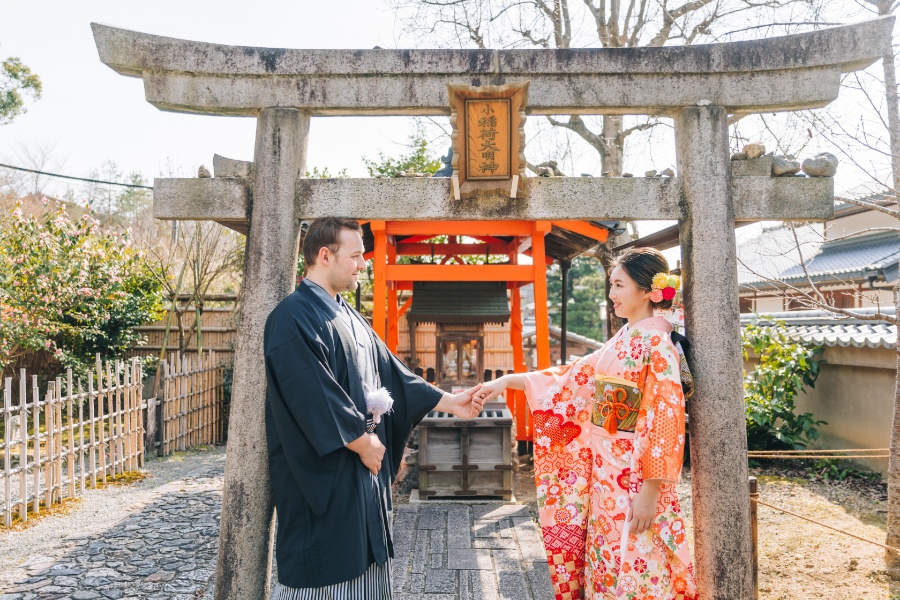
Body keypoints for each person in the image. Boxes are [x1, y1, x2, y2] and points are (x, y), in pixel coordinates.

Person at [264, 217, 484, 599]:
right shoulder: (291, 317)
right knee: (326, 569)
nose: (363, 264)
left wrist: (451, 403)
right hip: (327, 471)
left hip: (364, 473)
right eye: (356, 255)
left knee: (366, 567)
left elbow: (393, 375)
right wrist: (362, 441)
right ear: (325, 255)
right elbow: (312, 393)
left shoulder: (349, 316)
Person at [477, 247, 698, 600]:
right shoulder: (625, 338)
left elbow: (665, 419)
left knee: (640, 561)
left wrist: (651, 491)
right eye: (611, 285)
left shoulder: (656, 344)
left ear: (646, 290)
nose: (611, 294)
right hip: (604, 471)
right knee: (606, 558)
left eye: (619, 285)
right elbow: (569, 377)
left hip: (635, 476)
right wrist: (506, 382)